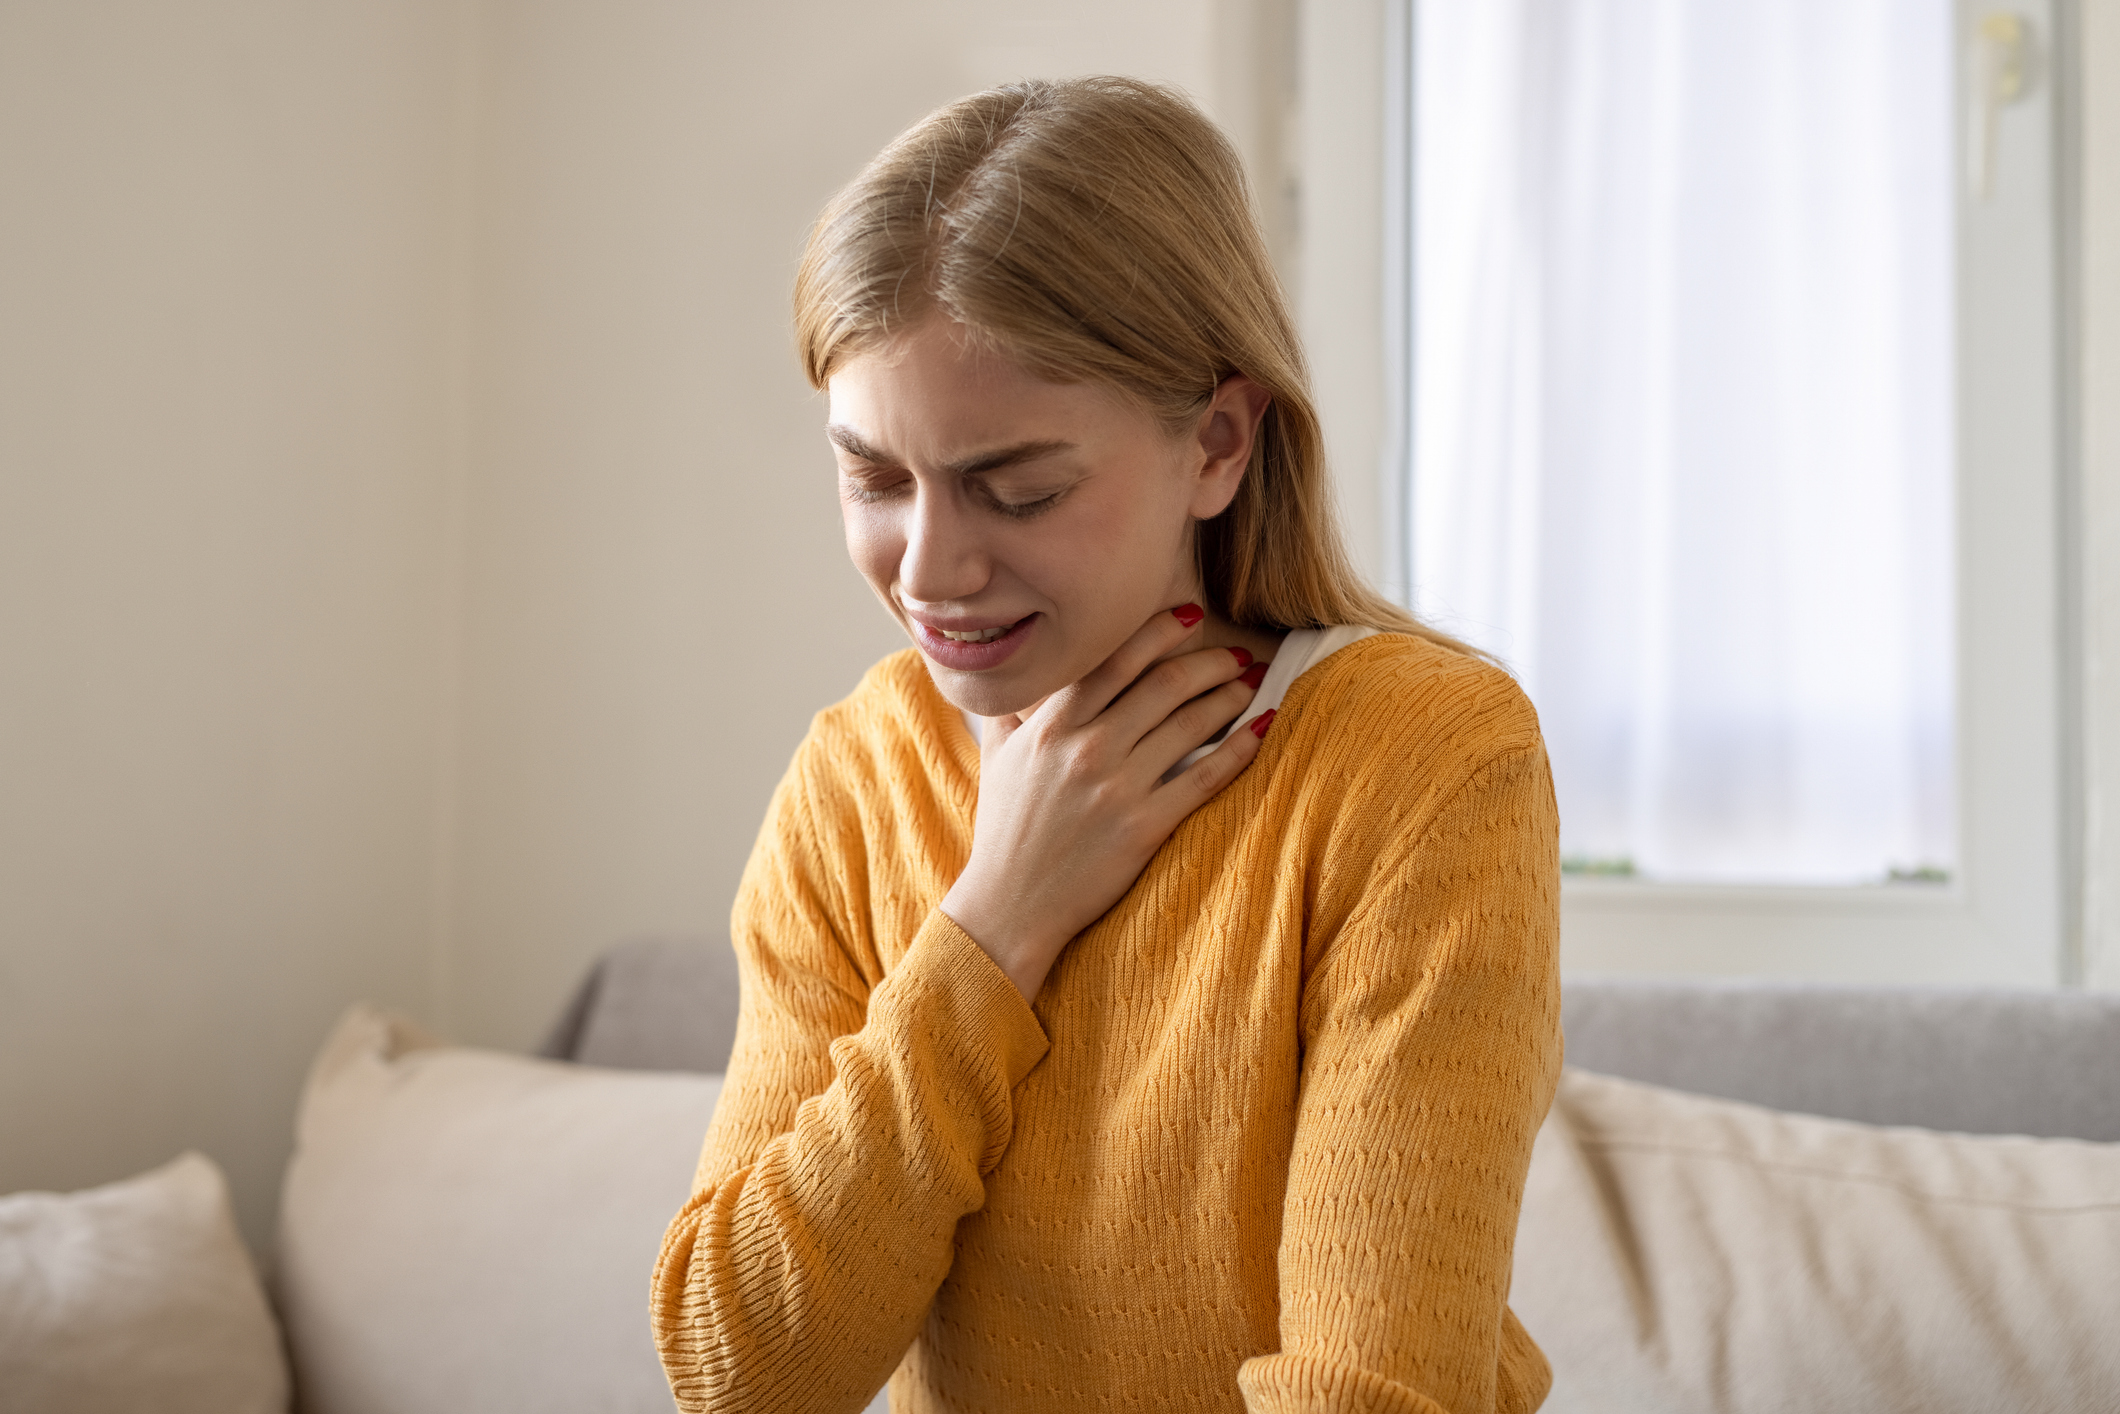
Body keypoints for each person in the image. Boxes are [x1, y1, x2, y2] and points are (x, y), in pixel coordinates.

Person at [651, 76, 1560, 1414]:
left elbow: (1366, 1391)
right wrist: (992, 924)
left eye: (1018, 488)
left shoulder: (1420, 762)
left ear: (1216, 441)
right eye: (874, 480)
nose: (932, 569)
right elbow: (740, 1375)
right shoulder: (858, 779)